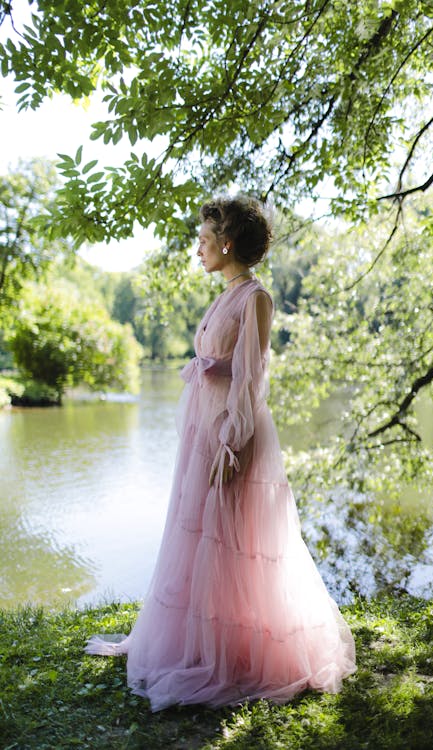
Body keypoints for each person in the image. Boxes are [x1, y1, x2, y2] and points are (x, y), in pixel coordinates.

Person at [85, 195, 356, 710]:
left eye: (204, 240)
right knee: (200, 532)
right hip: (202, 428)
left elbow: (252, 380)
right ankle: (199, 639)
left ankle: (236, 650)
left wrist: (232, 444)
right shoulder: (224, 293)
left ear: (227, 243)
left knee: (234, 537)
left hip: (232, 432)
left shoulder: (255, 298)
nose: (198, 249)